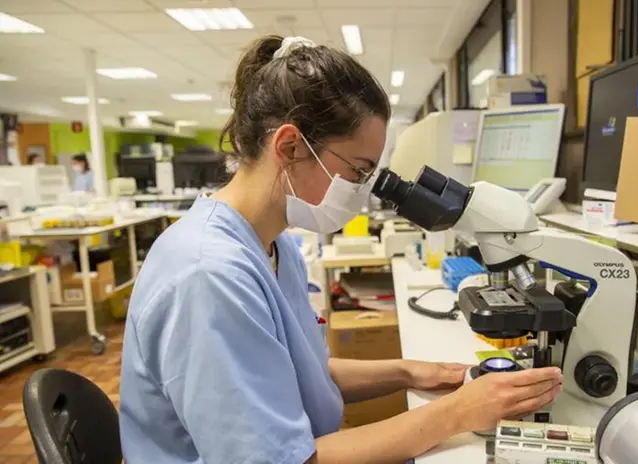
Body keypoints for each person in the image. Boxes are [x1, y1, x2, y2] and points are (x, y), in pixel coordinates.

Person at [119, 35, 563, 464]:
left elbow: (296, 374)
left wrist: (410, 372)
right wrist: (458, 411)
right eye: (358, 171)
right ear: (290, 147)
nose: (362, 192)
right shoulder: (208, 277)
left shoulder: (272, 244)